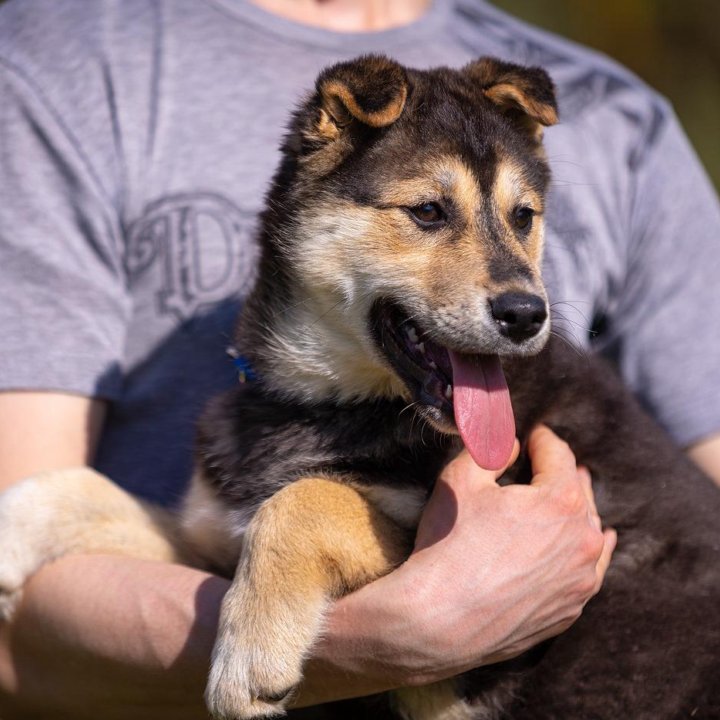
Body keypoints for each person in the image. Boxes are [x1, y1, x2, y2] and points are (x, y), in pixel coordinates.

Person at [0, 0, 717, 717]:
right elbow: (189, 568)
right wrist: (68, 507)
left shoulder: (623, 115)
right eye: (431, 215)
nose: (515, 286)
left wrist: (304, 537)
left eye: (520, 218)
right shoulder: (65, 57)